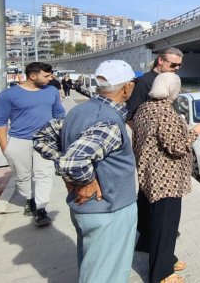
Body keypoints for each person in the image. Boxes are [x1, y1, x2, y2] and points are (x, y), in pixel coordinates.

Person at [33, 60, 139, 283]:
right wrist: (85, 181)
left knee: (92, 268)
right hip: (109, 210)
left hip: (87, 210)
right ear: (127, 87)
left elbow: (41, 137)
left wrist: (65, 168)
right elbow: (74, 162)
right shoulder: (108, 121)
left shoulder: (78, 111)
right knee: (107, 274)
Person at [133, 72, 200, 283]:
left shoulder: (143, 109)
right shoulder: (165, 111)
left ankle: (165, 256)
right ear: (173, 90)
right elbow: (176, 147)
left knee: (154, 221)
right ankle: (162, 274)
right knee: (166, 226)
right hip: (166, 179)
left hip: (148, 175)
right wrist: (196, 131)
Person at [126, 46, 184, 254]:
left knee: (153, 197)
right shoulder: (144, 82)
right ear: (160, 61)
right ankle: (149, 236)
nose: (176, 68)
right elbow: (132, 116)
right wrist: (150, 139)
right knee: (147, 195)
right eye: (172, 64)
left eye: (179, 65)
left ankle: (152, 236)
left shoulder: (170, 81)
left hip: (163, 149)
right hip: (152, 152)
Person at [0, 62, 64, 227]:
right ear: (33, 76)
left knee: (44, 174)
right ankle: (29, 199)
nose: (51, 78)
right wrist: (6, 147)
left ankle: (41, 209)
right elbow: (0, 122)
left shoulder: (52, 91)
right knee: (22, 175)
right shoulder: (8, 95)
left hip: (46, 140)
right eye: (46, 76)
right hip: (19, 140)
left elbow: (59, 114)